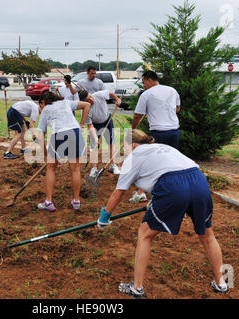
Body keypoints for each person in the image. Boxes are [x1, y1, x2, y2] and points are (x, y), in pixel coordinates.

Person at [98, 129, 228, 298]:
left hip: (173, 187)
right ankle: (221, 283)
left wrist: (105, 216)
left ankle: (136, 288)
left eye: (125, 147)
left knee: (145, 234)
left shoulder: (133, 157)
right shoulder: (162, 147)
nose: (124, 152)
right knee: (207, 234)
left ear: (134, 145)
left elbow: (119, 192)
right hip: (199, 181)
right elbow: (162, 171)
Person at [130, 70, 181, 203]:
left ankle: (145, 194)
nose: (143, 85)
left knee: (151, 163)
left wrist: (132, 130)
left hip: (159, 133)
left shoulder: (146, 94)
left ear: (149, 79)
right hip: (174, 131)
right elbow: (177, 109)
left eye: (143, 82)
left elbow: (137, 116)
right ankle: (169, 191)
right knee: (170, 162)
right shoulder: (172, 90)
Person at [36, 91, 91, 212]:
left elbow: (41, 134)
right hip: (75, 132)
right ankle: (76, 201)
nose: (40, 109)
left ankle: (48, 201)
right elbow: (87, 105)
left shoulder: (46, 109)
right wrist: (81, 124)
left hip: (59, 134)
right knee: (75, 168)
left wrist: (45, 153)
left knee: (51, 168)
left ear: (43, 102)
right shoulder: (65, 102)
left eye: (40, 106)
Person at [79, 89, 122, 176]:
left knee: (111, 143)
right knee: (94, 146)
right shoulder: (85, 111)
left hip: (107, 120)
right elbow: (90, 126)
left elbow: (110, 92)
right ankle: (94, 169)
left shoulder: (99, 95)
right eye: (87, 100)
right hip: (95, 125)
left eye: (90, 96)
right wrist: (95, 138)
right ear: (84, 102)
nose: (91, 99)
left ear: (91, 94)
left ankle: (113, 165)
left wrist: (117, 99)